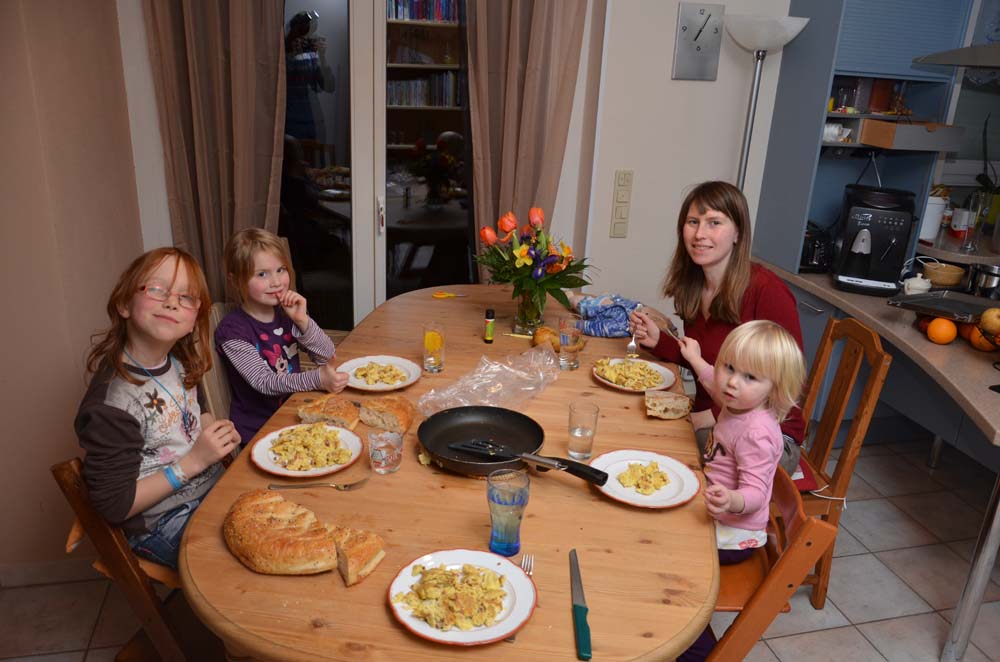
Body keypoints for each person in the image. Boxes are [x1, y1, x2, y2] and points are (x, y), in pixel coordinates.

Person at [75, 248, 240, 569]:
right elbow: (114, 506)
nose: (172, 302)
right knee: (246, 566)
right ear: (124, 303)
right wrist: (194, 461)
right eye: (157, 289)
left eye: (186, 297)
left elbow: (197, 411)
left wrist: (215, 432)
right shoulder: (113, 404)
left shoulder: (179, 361)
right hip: (163, 521)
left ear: (193, 321)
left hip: (213, 489)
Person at [629, 180, 806, 474]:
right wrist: (660, 341)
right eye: (693, 222)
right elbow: (709, 362)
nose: (700, 234)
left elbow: (786, 385)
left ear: (738, 233)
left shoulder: (766, 291)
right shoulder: (694, 286)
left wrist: (708, 416)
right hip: (718, 419)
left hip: (767, 438)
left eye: (714, 222)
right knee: (639, 429)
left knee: (661, 451)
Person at [677, 320, 806, 661]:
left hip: (735, 535)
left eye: (750, 377)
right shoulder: (738, 400)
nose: (732, 382)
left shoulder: (756, 433)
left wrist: (731, 500)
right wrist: (696, 358)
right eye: (729, 367)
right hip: (719, 516)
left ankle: (698, 651)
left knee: (671, 567)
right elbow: (713, 380)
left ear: (774, 389)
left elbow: (756, 494)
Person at [215, 228, 348, 445]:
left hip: (295, 412)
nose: (276, 282)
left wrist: (303, 321)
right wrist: (317, 379)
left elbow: (326, 355)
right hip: (260, 429)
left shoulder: (286, 315)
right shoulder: (233, 330)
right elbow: (264, 381)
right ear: (236, 280)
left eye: (280, 270)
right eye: (262, 274)